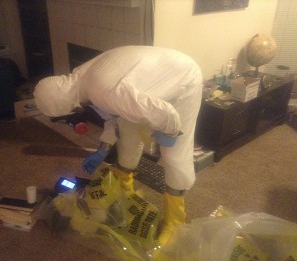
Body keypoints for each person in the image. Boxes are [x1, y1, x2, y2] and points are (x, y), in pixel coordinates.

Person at [33, 45, 203, 246]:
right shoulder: (79, 78)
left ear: (68, 106)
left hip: (183, 79)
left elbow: (165, 113)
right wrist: (104, 148)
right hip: (154, 73)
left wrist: (171, 131)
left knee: (174, 157)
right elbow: (112, 114)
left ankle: (174, 222)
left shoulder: (104, 90)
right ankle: (125, 192)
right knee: (127, 136)